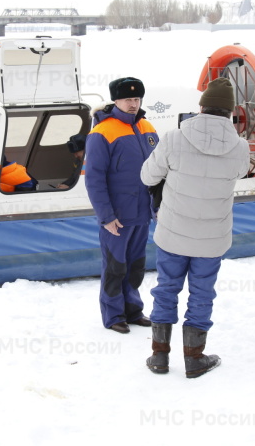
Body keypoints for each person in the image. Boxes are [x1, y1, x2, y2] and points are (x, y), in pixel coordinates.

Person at [140, 77, 249, 378]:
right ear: (230, 113)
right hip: (211, 239)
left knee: (166, 290)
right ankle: (194, 358)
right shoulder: (240, 147)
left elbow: (148, 177)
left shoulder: (174, 138)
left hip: (172, 233)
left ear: (200, 107)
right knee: (202, 294)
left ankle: (159, 357)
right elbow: (241, 172)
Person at [85, 77, 158, 334]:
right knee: (115, 266)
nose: (133, 104)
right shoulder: (102, 132)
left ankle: (133, 310)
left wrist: (157, 207)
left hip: (142, 214)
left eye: (137, 99)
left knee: (136, 266)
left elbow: (158, 171)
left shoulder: (147, 127)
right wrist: (106, 216)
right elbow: (94, 179)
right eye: (128, 99)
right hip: (116, 217)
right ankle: (113, 314)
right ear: (115, 100)